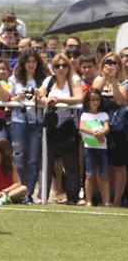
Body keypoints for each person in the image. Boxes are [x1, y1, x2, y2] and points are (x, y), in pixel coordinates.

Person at [38, 53, 83, 204]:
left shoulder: (74, 79)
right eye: (57, 66)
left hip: (68, 126)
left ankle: (72, 198)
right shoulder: (48, 80)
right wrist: (47, 100)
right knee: (47, 162)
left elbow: (78, 98)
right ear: (53, 67)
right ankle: (43, 197)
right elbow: (40, 95)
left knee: (71, 163)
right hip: (51, 126)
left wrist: (58, 100)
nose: (61, 68)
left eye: (64, 65)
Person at [8, 49, 48, 204]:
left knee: (32, 160)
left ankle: (29, 193)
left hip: (36, 122)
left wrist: (39, 96)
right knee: (18, 158)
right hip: (18, 120)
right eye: (28, 61)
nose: (31, 65)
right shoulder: (14, 79)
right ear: (23, 63)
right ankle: (18, 192)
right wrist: (18, 97)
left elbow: (46, 97)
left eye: (34, 62)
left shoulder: (42, 80)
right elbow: (8, 98)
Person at [92, 52, 128, 207]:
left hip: (118, 130)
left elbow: (120, 101)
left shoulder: (124, 83)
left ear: (119, 66)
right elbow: (93, 96)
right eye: (107, 62)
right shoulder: (98, 81)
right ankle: (106, 200)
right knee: (102, 165)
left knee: (119, 165)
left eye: (114, 63)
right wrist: (104, 79)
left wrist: (113, 82)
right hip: (99, 129)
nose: (110, 65)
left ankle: (117, 200)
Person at [79, 88, 110, 206]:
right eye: (92, 100)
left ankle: (106, 201)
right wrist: (95, 133)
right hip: (89, 148)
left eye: (97, 100)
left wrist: (101, 133)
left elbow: (107, 127)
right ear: (87, 101)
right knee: (89, 175)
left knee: (104, 175)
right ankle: (89, 200)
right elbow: (82, 127)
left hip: (102, 149)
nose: (95, 102)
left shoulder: (103, 115)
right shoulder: (85, 115)